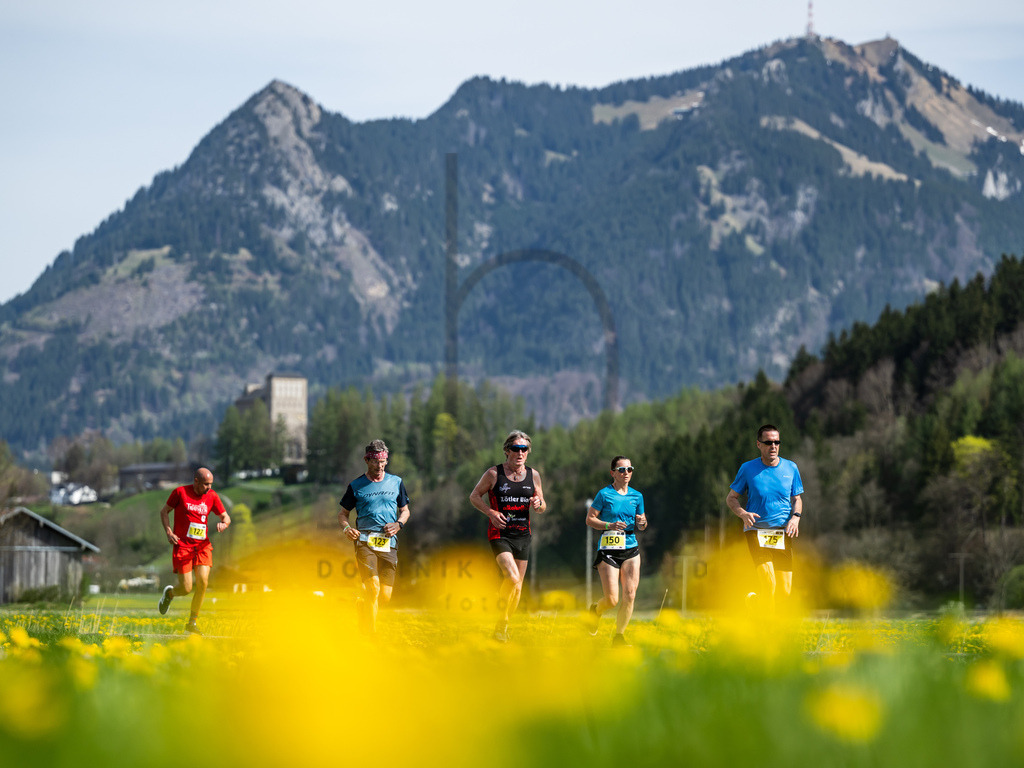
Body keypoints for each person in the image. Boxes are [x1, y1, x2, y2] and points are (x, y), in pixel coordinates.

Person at [469, 430, 547, 642]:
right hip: (500, 533)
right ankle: (500, 621)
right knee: (511, 578)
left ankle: (502, 626)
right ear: (507, 450)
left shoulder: (534, 475)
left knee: (518, 586)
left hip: (523, 534)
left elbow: (542, 505)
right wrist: (491, 512)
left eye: (524, 449)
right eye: (516, 449)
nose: (520, 453)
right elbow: (474, 496)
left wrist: (539, 504)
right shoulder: (494, 474)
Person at [725, 424, 804, 612]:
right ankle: (767, 628)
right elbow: (731, 498)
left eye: (777, 442)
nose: (773, 446)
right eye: (768, 442)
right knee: (769, 584)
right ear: (758, 444)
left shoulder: (791, 468)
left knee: (784, 591)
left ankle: (755, 604)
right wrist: (743, 514)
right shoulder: (748, 469)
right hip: (757, 531)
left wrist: (796, 518)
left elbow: (797, 499)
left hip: (782, 532)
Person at [339, 439, 411, 634]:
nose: (379, 466)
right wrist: (347, 530)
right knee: (373, 588)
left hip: (389, 542)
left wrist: (398, 524)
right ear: (366, 460)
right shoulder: (356, 485)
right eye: (375, 462)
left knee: (385, 596)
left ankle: (363, 606)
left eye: (383, 462)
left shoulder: (396, 482)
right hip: (364, 542)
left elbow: (405, 510)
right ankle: (370, 635)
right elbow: (343, 514)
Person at [157, 467, 231, 634]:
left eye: (211, 484)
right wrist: (169, 532)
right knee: (186, 588)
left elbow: (226, 517)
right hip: (183, 546)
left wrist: (223, 524)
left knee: (203, 583)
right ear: (196, 481)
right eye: (205, 484)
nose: (209, 488)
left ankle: (192, 623)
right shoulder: (180, 493)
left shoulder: (212, 496)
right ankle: (170, 594)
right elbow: (164, 512)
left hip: (202, 546)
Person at [586, 456, 647, 646]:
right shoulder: (604, 494)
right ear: (613, 473)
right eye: (622, 470)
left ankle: (618, 637)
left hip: (630, 548)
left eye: (630, 469)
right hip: (609, 549)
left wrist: (642, 523)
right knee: (612, 600)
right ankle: (595, 611)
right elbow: (590, 519)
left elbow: (643, 522)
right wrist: (609, 524)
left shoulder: (637, 496)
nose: (626, 473)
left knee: (630, 595)